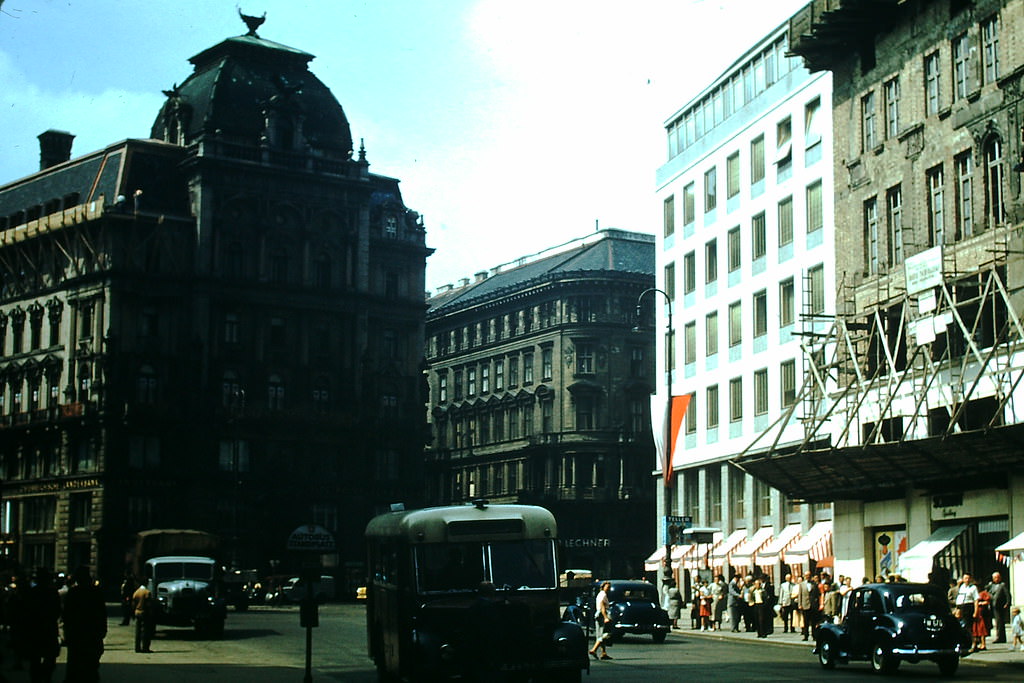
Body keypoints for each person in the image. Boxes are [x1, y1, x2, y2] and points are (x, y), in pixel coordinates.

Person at [62, 566, 107, 683]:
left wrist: (67, 633)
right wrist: (102, 631)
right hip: (92, 635)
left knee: (75, 665)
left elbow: (67, 615)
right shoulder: (96, 592)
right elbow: (102, 614)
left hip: (77, 635)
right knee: (91, 667)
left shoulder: (73, 593)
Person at [23, 567, 61, 683]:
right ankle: (45, 677)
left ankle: (37, 678)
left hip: (35, 629)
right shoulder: (52, 592)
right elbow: (57, 610)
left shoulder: (32, 592)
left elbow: (26, 611)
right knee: (50, 657)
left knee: (35, 658)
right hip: (48, 628)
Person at [588, 581, 613, 660]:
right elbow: (602, 605)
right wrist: (605, 617)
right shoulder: (603, 594)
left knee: (600, 633)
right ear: (603, 587)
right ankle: (594, 650)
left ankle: (603, 653)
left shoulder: (600, 594)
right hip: (602, 614)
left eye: (609, 587)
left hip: (599, 614)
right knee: (604, 634)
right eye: (607, 587)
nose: (609, 589)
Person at [132, 581, 156, 653]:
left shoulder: (136, 592)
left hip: (137, 612)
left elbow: (133, 603)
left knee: (138, 631)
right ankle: (145, 647)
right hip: (145, 613)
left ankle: (137, 647)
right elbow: (148, 604)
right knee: (146, 631)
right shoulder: (147, 592)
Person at [987, 571, 1010, 644]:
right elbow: (988, 592)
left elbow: (1007, 594)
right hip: (993, 606)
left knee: (1000, 622)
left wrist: (1007, 603)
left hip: (1000, 606)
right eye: (994, 578)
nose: (996, 579)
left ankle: (1000, 637)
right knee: (997, 622)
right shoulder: (991, 586)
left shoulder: (1002, 585)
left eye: (997, 577)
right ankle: (1000, 636)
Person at [797, 571, 820, 641]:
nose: (808, 576)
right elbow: (800, 595)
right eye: (806, 575)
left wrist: (817, 604)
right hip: (805, 605)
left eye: (809, 575)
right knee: (806, 622)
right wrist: (800, 604)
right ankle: (805, 635)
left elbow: (817, 594)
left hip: (813, 605)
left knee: (813, 622)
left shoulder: (814, 584)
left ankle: (814, 635)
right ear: (804, 576)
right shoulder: (802, 584)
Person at [972, 585, 991, 652]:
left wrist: (981, 603)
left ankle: (983, 644)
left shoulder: (983, 593)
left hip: (981, 614)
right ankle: (977, 644)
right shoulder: (974, 593)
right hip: (975, 613)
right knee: (976, 630)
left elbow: (987, 601)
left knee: (982, 629)